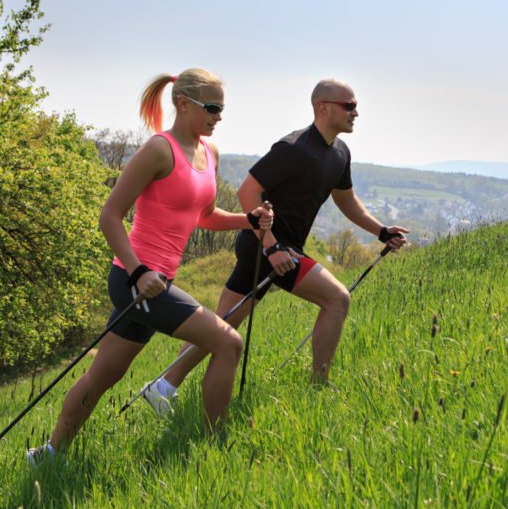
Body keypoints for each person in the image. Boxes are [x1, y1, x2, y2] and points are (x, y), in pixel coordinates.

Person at [26, 68, 274, 464]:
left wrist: (249, 219)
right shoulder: (159, 150)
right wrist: (139, 272)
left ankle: (49, 454)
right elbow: (110, 215)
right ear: (182, 103)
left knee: (105, 374)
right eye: (211, 108)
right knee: (228, 342)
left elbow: (206, 215)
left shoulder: (209, 153)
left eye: (222, 109)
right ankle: (215, 448)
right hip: (134, 279)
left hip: (159, 282)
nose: (218, 116)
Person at [138, 78, 408, 416]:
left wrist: (381, 231)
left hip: (274, 248)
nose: (356, 112)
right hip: (268, 249)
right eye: (348, 105)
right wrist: (271, 246)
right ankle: (319, 386)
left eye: (355, 105)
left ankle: (163, 387)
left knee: (224, 324)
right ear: (323, 108)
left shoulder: (339, 152)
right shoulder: (294, 148)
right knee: (337, 299)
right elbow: (248, 192)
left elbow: (346, 200)